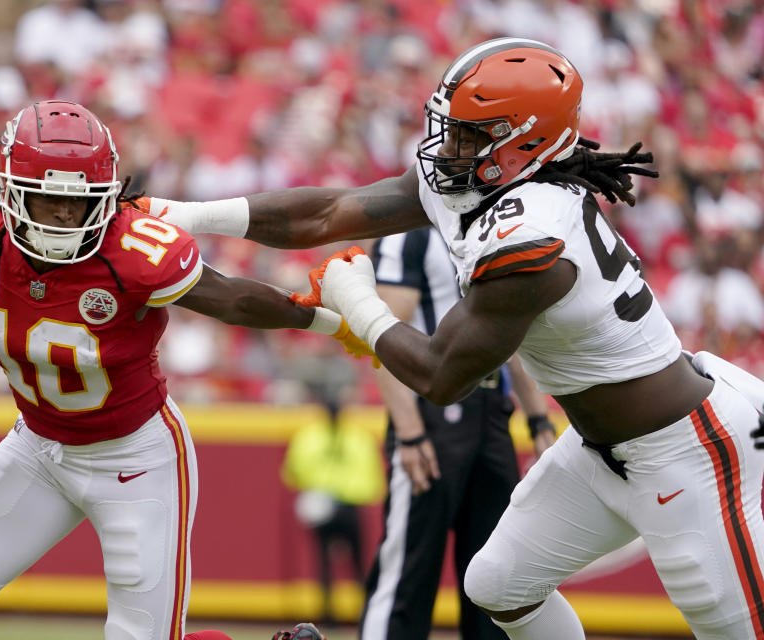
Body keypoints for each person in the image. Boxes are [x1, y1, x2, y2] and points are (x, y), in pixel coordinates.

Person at [142, 37, 764, 639]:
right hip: (601, 447)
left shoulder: (535, 240)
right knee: (498, 585)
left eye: (470, 134)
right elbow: (326, 212)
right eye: (452, 126)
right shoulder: (494, 184)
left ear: (525, 143)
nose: (450, 146)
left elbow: (443, 377)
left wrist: (358, 303)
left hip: (686, 450)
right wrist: (185, 214)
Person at [0, 100, 356, 640]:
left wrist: (327, 321)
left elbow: (235, 301)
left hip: (136, 457)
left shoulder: (134, 248)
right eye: (47, 196)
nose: (61, 214)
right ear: (10, 190)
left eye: (77, 202)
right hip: (36, 447)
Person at [361, 228, 556, 640]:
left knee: (494, 572)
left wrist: (538, 419)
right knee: (410, 569)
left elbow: (510, 330)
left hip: (491, 409)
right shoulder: (410, 235)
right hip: (431, 407)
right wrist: (410, 433)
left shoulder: (496, 227)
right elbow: (383, 335)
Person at [281, 391, 384, 624]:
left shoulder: (309, 436)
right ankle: (362, 612)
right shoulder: (358, 437)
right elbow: (372, 476)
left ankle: (332, 614)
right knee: (353, 563)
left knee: (329, 563)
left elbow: (293, 472)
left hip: (327, 505)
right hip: (346, 505)